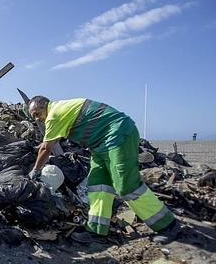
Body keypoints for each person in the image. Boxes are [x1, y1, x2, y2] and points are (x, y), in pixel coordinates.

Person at [27, 95, 182, 244]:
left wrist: (35, 170)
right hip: (100, 144)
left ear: (44, 106)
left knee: (126, 185)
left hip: (117, 135)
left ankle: (168, 225)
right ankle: (97, 229)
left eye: (37, 114)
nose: (36, 118)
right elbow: (46, 144)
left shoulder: (54, 115)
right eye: (33, 116)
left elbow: (47, 148)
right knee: (97, 184)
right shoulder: (60, 109)